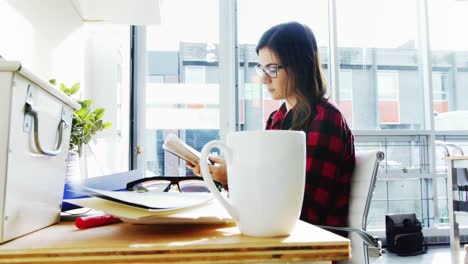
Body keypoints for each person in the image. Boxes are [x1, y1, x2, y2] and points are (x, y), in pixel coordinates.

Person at [186, 21, 355, 233]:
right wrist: (230, 175)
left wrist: (234, 178)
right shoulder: (278, 118)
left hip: (311, 238)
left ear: (300, 66)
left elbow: (305, 208)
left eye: (273, 69)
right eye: (262, 69)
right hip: (276, 230)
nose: (264, 79)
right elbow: (266, 186)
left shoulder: (326, 119)